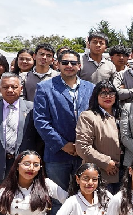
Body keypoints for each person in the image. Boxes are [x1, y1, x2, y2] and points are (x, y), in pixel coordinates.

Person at [33, 49, 94, 191]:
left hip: (84, 153)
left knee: (84, 196)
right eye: (65, 62)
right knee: (58, 199)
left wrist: (83, 145)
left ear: (79, 66)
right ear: (58, 65)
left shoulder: (91, 88)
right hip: (57, 155)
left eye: (73, 63)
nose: (69, 66)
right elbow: (41, 121)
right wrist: (63, 144)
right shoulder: (45, 88)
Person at [0, 73, 40, 182]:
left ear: (21, 89)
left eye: (14, 87)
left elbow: (39, 138)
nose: (10, 90)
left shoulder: (32, 108)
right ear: (0, 89)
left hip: (25, 163)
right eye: (5, 87)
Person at [76, 81, 122, 193]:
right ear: (96, 96)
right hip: (100, 176)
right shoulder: (88, 116)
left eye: (111, 93)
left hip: (123, 175)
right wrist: (106, 163)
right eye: (103, 93)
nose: (108, 96)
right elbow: (82, 147)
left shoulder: (121, 115)